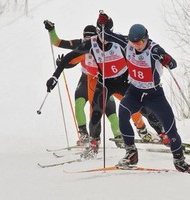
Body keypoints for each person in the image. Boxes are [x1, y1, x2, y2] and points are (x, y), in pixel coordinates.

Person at [45, 17, 166, 156]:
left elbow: (147, 45)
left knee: (142, 108)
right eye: (100, 33)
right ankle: (94, 143)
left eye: (107, 33)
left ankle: (162, 133)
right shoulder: (90, 44)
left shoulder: (121, 41)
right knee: (95, 115)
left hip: (123, 81)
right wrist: (55, 76)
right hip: (104, 83)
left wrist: (161, 56)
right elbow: (68, 57)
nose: (103, 37)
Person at [97, 13, 190, 173]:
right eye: (133, 42)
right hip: (134, 92)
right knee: (122, 112)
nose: (136, 45)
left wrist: (165, 59)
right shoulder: (126, 44)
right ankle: (131, 153)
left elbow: (172, 63)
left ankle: (179, 160)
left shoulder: (154, 49)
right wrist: (103, 22)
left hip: (154, 94)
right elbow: (104, 35)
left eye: (140, 42)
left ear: (146, 38)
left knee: (170, 127)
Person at [43, 20, 122, 147]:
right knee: (79, 105)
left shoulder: (101, 44)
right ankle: (85, 135)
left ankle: (118, 135)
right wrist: (51, 30)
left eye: (90, 38)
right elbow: (57, 43)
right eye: (85, 38)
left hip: (102, 80)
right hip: (86, 80)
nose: (88, 41)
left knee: (109, 109)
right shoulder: (81, 44)